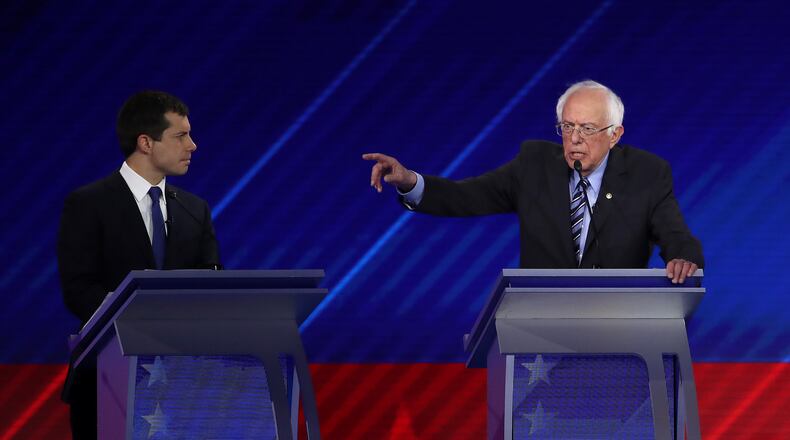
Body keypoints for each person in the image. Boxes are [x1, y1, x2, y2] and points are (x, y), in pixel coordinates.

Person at [363, 80, 703, 282]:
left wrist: (683, 260)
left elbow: (677, 237)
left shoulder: (646, 174)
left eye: (587, 128)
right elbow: (466, 196)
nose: (574, 139)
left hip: (620, 329)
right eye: (567, 127)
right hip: (543, 330)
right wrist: (409, 181)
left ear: (615, 135)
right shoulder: (534, 166)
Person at [57, 90, 221, 439]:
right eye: (180, 136)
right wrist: (141, 331)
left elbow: (212, 283)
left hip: (183, 388)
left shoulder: (195, 209)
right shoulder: (89, 204)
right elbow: (78, 288)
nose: (192, 145)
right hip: (107, 381)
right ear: (145, 142)